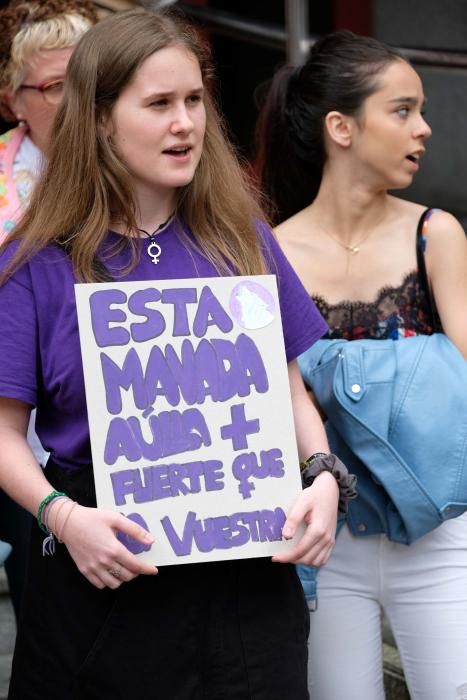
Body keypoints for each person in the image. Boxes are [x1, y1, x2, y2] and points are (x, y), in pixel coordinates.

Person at [0, 9, 357, 699]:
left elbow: (287, 391)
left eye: (194, 100)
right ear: (100, 119)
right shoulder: (33, 265)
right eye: (159, 104)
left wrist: (320, 477)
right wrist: (62, 518)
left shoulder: (240, 238)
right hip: (103, 573)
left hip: (248, 588)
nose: (185, 123)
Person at [256, 30, 467, 700]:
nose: (424, 128)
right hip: (323, 542)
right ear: (340, 127)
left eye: (421, 110)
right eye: (402, 110)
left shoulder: (434, 234)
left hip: (438, 530)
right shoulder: (266, 252)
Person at [0, 0, 97, 622]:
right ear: (14, 98)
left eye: (86, 84)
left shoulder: (133, 174)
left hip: (97, 418)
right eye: (56, 86)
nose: (73, 102)